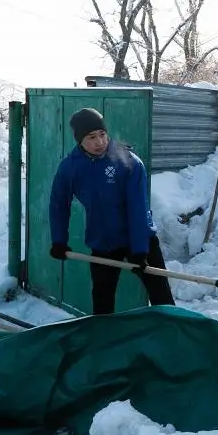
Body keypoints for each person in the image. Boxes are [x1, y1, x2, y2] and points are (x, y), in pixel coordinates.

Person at [48, 108, 176, 315]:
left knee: (161, 295)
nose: (99, 142)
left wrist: (140, 249)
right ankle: (103, 340)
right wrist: (59, 241)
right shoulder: (70, 168)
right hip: (103, 241)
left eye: (102, 134)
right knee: (102, 300)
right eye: (91, 137)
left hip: (140, 238)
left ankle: (175, 334)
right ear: (79, 140)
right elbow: (58, 205)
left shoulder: (129, 163)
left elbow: (138, 207)